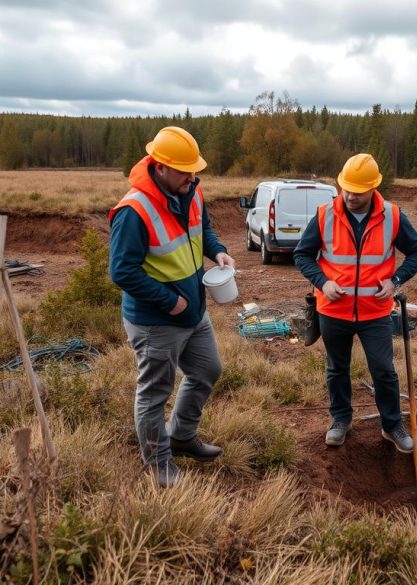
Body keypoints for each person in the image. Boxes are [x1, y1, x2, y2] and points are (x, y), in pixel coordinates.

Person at [109, 126, 234, 488]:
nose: (192, 176)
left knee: (207, 370)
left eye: (194, 169)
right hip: (155, 320)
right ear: (159, 166)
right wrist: (171, 302)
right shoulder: (134, 210)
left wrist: (217, 250)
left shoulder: (191, 191)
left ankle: (180, 435)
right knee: (154, 393)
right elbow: (122, 272)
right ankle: (158, 461)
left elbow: (203, 229)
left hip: (192, 313)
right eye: (184, 170)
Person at [294, 153, 417, 453]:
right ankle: (340, 420)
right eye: (346, 189)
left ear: (373, 188)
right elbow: (302, 255)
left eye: (358, 191)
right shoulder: (324, 214)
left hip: (375, 313)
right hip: (333, 310)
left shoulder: (392, 216)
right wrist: (323, 282)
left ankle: (391, 425)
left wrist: (394, 281)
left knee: (383, 369)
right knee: (337, 369)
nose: (351, 196)